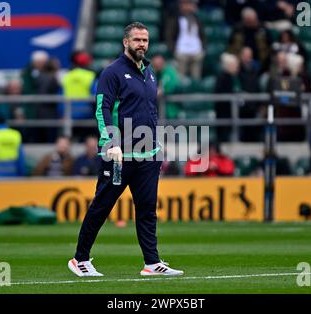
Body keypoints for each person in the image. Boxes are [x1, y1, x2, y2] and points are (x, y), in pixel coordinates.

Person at [68, 22, 183, 277]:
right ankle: (80, 259)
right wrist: (111, 143)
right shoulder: (112, 72)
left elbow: (149, 111)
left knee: (147, 209)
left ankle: (152, 263)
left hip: (147, 154)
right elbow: (102, 109)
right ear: (125, 42)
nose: (142, 44)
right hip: (118, 155)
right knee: (102, 206)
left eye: (145, 40)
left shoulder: (150, 72)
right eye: (137, 40)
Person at [165, 0, 206, 79]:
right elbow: (169, 36)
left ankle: (195, 88)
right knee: (181, 78)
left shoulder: (197, 19)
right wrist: (173, 49)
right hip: (181, 51)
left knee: (196, 78)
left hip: (197, 51)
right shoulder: (175, 18)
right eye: (185, 4)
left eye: (190, 4)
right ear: (180, 5)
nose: (188, 6)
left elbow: (202, 35)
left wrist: (203, 49)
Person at [150, 53, 180, 119]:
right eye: (155, 64)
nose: (157, 65)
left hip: (171, 111)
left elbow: (160, 91)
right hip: (157, 111)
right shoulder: (152, 73)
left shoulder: (169, 72)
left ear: (163, 62)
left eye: (159, 63)